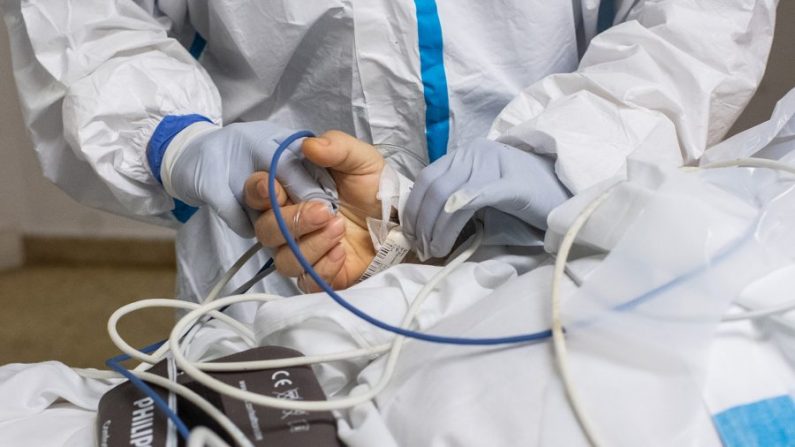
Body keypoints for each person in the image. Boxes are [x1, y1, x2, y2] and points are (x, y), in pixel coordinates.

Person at [0, 1, 778, 318]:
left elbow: (697, 15)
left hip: (556, 234)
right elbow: (85, 15)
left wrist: (581, 145)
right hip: (274, 252)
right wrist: (174, 137)